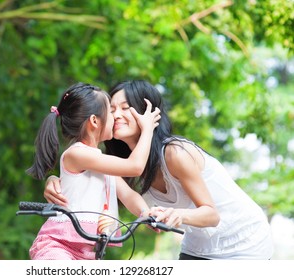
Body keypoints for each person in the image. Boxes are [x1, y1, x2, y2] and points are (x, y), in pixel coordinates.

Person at [44, 80, 274, 260]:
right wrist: (55, 178)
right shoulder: (120, 161)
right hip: (200, 245)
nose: (116, 115)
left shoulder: (175, 153)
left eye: (126, 108)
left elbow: (211, 215)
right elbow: (100, 177)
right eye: (111, 109)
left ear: (149, 113)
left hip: (244, 240)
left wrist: (167, 215)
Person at [26, 82, 161, 260]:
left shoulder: (100, 162)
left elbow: (128, 195)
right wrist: (147, 130)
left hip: (87, 253)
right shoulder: (77, 153)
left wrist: (146, 213)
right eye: (110, 112)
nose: (114, 118)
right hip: (58, 246)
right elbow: (134, 167)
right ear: (95, 121)